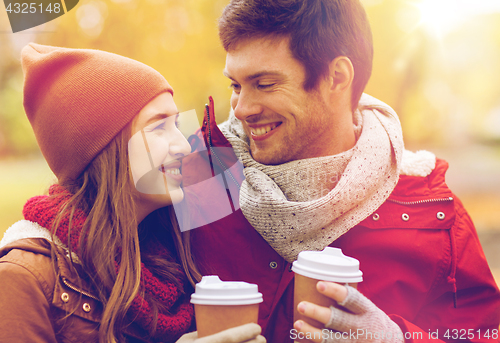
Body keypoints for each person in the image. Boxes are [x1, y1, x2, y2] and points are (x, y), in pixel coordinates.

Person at [179, 0, 500, 342]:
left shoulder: (432, 212)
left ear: (337, 77)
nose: (242, 110)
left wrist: (400, 339)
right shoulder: (201, 179)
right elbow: (126, 313)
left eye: (265, 83)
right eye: (236, 86)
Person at [0, 43, 265, 343]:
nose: (183, 145)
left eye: (177, 125)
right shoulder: (24, 277)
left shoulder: (169, 255)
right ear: (103, 149)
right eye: (158, 128)